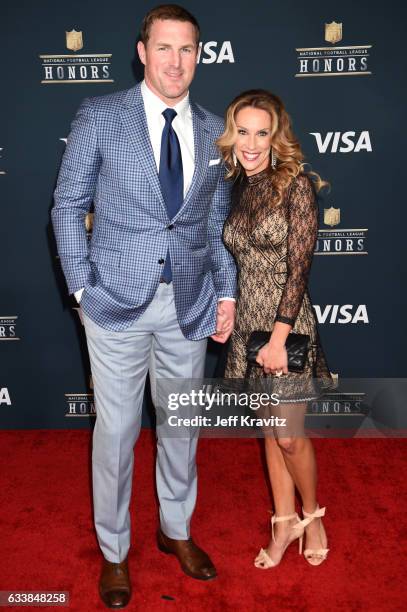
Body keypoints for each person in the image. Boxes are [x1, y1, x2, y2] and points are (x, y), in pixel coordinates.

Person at [52, 5, 236, 608]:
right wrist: (82, 290)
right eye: (164, 47)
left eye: (187, 49)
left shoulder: (215, 130)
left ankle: (175, 529)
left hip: (189, 305)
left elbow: (214, 226)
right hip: (115, 305)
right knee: (118, 431)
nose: (176, 61)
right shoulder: (101, 116)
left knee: (181, 428)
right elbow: (66, 206)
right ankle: (114, 551)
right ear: (141, 51)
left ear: (199, 55)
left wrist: (226, 291)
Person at [217, 89, 334, 569]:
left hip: (286, 326)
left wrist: (281, 337)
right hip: (248, 324)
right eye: (242, 131)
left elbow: (299, 270)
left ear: (276, 136)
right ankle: (283, 521)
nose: (250, 143)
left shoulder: (297, 185)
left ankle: (313, 514)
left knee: (289, 435)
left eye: (261, 133)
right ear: (231, 134)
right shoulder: (234, 186)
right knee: (269, 430)